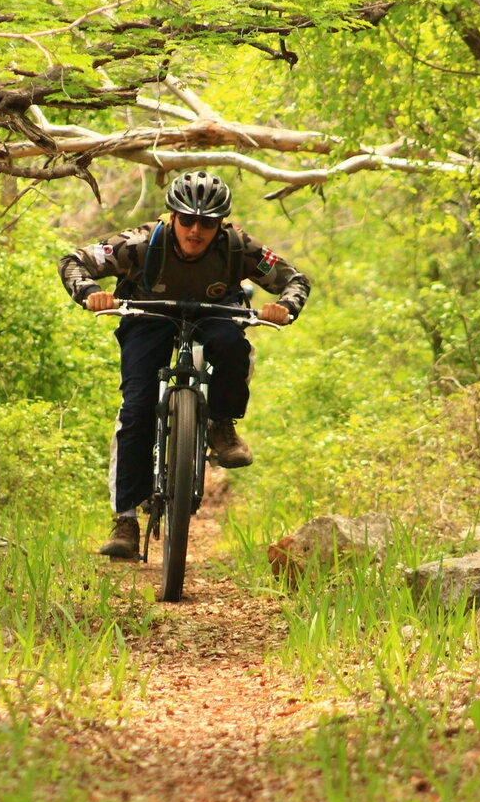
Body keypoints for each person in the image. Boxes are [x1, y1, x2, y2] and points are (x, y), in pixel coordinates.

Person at [58, 170, 311, 559]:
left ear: (220, 224)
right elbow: (74, 262)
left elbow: (294, 279)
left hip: (215, 313)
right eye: (187, 220)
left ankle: (220, 424)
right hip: (148, 314)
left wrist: (285, 307)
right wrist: (91, 293)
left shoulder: (237, 247)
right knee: (138, 406)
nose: (196, 230)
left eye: (207, 223)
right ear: (172, 216)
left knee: (232, 344)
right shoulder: (139, 244)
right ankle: (125, 519)